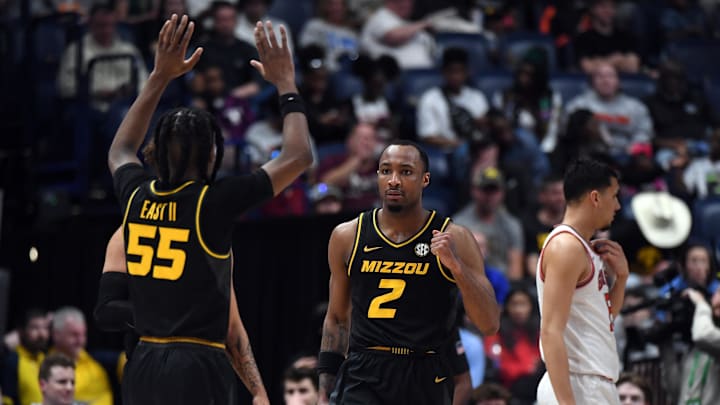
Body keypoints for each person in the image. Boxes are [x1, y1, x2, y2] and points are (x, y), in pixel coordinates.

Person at [104, 13, 312, 405]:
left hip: (144, 358)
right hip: (197, 361)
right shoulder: (212, 203)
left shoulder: (136, 195)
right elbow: (299, 155)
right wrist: (286, 83)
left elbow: (119, 150)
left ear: (158, 151)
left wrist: (159, 77)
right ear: (213, 152)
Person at [317, 140, 500, 404]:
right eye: (385, 170)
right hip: (364, 372)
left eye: (405, 171)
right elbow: (336, 319)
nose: (393, 180)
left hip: (425, 370)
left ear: (425, 179)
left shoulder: (454, 237)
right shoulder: (348, 236)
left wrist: (456, 268)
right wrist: (324, 391)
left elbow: (489, 323)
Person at [536, 157, 629, 404]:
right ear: (596, 198)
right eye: (614, 196)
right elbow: (550, 332)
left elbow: (602, 320)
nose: (618, 206)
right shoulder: (566, 247)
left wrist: (621, 278)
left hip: (591, 383)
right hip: (577, 384)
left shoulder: (582, 247)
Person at [49, 308, 112, 405]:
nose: (81, 340)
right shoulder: (44, 365)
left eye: (83, 334)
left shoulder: (95, 364)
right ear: (56, 335)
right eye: (74, 335)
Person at [677, 287, 720, 404]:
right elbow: (675, 390)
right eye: (717, 292)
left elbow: (702, 335)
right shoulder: (697, 349)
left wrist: (701, 304)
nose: (717, 300)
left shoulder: (706, 338)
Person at [1, 310, 50, 405]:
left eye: (45, 328)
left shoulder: (48, 360)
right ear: (21, 331)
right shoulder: (12, 361)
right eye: (35, 328)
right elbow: (7, 400)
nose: (41, 334)